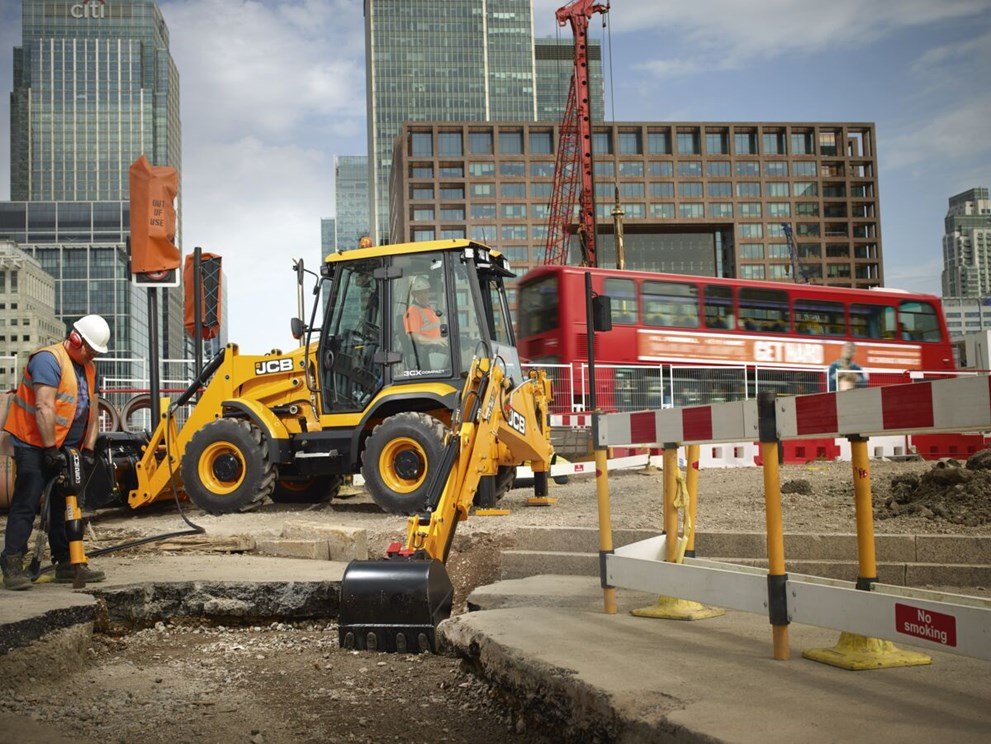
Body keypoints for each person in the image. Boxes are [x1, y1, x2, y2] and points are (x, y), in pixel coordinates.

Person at [1, 315, 111, 590]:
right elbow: (44, 406)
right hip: (34, 444)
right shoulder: (48, 360)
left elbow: (93, 412)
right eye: (92, 350)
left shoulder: (89, 367)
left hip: (67, 447)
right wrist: (50, 449)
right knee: (27, 502)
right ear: (76, 340)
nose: (94, 356)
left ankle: (67, 563)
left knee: (66, 505)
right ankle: (12, 565)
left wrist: (87, 448)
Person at [403, 276, 448, 370]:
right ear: (414, 294)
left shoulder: (428, 309)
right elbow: (413, 336)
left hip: (439, 347)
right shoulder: (413, 311)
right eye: (420, 293)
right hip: (429, 353)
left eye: (426, 292)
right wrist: (434, 341)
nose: (424, 295)